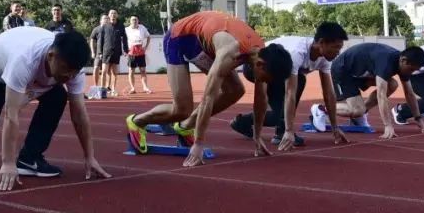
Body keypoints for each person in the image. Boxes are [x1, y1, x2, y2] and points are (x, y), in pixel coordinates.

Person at [0, 26, 111, 189]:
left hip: (36, 76)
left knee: (58, 97)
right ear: (51, 55)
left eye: (73, 72)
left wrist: (90, 157)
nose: (69, 76)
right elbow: (11, 114)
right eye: (65, 69)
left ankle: (29, 157)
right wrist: (8, 163)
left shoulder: (73, 70)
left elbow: (79, 114)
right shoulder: (24, 60)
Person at [126, 10, 292, 166]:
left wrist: (257, 136)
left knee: (236, 90)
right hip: (180, 38)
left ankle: (185, 127)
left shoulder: (262, 53)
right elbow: (208, 98)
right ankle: (137, 121)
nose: (262, 81)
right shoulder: (230, 52)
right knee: (182, 109)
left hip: (205, 42)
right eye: (264, 78)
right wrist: (199, 144)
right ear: (260, 65)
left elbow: (261, 99)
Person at [230, 21, 349, 150]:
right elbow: (290, 93)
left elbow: (329, 94)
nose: (338, 52)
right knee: (296, 87)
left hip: (277, 73)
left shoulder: (325, 58)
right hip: (258, 67)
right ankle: (282, 132)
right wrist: (289, 130)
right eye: (336, 47)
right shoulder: (297, 53)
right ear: (321, 42)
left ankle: (243, 122)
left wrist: (335, 127)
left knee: (285, 104)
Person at [309, 43, 424, 140]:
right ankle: (321, 109)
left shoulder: (402, 63)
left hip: (360, 73)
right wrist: (387, 125)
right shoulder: (386, 62)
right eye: (411, 69)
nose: (411, 73)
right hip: (342, 71)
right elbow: (381, 95)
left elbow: (409, 93)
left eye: (415, 70)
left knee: (392, 84)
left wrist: (418, 119)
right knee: (357, 109)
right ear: (403, 60)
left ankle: (359, 115)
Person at [99, 9, 128, 92]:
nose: (113, 15)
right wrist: (100, 52)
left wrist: (126, 49)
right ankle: (102, 89)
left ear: (117, 15)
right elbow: (101, 40)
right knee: (104, 71)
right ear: (109, 15)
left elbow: (125, 39)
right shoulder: (104, 26)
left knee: (114, 72)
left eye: (115, 13)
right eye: (111, 13)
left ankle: (113, 89)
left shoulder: (121, 26)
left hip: (116, 52)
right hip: (106, 52)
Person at [124, 15, 152, 94]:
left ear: (138, 21)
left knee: (143, 70)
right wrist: (125, 50)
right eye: (133, 20)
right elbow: (123, 40)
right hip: (131, 52)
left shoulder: (142, 27)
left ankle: (145, 87)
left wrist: (146, 47)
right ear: (130, 21)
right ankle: (132, 88)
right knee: (131, 71)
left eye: (136, 20)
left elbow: (149, 37)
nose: (134, 21)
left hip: (141, 52)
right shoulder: (126, 29)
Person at [88, 14, 108, 90]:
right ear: (100, 21)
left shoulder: (110, 29)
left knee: (104, 71)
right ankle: (96, 86)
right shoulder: (96, 29)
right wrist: (92, 52)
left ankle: (103, 88)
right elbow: (92, 40)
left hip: (107, 54)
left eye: (107, 18)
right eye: (104, 18)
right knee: (96, 68)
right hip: (98, 53)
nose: (106, 20)